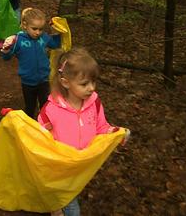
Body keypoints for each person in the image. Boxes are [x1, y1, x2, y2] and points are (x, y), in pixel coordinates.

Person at [37, 48, 129, 216]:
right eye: (84, 84)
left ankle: (56, 203)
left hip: (81, 165)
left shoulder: (94, 103)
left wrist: (115, 134)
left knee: (72, 191)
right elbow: (41, 136)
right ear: (65, 83)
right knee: (72, 207)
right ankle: (56, 205)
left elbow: (101, 127)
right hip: (61, 166)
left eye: (93, 82)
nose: (91, 88)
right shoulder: (51, 109)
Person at [0, 8, 61, 118]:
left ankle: (44, 127)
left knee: (45, 106)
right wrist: (6, 50)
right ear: (24, 25)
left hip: (44, 80)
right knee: (30, 107)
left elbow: (55, 45)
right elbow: (6, 57)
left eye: (41, 29)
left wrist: (56, 33)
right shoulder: (18, 40)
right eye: (34, 29)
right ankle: (29, 127)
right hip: (27, 82)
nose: (38, 32)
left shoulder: (44, 37)